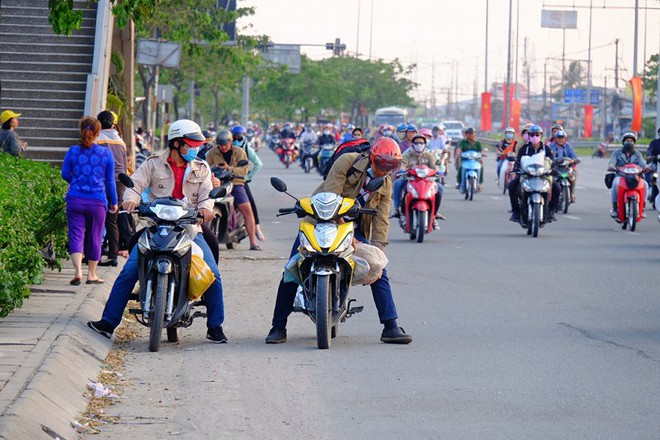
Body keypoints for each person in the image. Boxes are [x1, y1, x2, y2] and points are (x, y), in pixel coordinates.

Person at [87, 119, 229, 343]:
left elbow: (207, 193)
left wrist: (206, 209)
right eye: (191, 144)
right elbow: (134, 184)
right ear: (176, 144)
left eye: (197, 145)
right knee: (128, 271)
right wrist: (130, 201)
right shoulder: (152, 164)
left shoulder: (201, 168)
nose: (195, 149)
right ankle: (108, 323)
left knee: (212, 273)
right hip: (155, 228)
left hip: (189, 229)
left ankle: (215, 326)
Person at [265, 137, 413, 345]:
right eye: (381, 164)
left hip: (354, 230)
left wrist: (378, 252)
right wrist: (344, 230)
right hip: (319, 219)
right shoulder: (347, 162)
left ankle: (390, 326)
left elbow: (381, 220)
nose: (384, 170)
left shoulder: (386, 183)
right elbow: (330, 194)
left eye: (391, 166)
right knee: (293, 268)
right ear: (372, 158)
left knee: (380, 269)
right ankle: (278, 327)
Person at [61, 117, 118, 285]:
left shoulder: (72, 151)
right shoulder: (106, 153)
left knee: (76, 235)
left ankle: (78, 271)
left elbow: (65, 174)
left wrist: (77, 183)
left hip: (75, 200)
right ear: (98, 133)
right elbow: (110, 181)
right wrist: (114, 201)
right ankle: (91, 274)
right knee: (95, 236)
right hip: (97, 202)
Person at [207, 129, 261, 250]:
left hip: (236, 183)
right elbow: (204, 166)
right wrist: (212, 169)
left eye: (225, 144)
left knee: (247, 210)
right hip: (218, 183)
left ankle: (253, 242)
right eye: (220, 145)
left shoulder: (240, 152)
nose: (223, 147)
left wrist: (230, 168)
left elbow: (245, 169)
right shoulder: (212, 153)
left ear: (231, 142)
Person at [95, 110, 128, 267]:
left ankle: (94, 253)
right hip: (119, 182)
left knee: (96, 218)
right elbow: (125, 165)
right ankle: (113, 255)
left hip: (101, 181)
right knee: (112, 220)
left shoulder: (97, 140)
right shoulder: (120, 141)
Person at [508, 124, 560, 222]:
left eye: (537, 134)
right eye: (532, 135)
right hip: (526, 174)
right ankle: (515, 211)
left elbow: (552, 161)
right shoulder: (524, 148)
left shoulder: (546, 149)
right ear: (529, 136)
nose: (534, 137)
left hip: (543, 175)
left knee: (557, 188)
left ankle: (551, 212)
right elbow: (518, 160)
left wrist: (554, 169)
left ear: (541, 136)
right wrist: (516, 168)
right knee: (512, 186)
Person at [392, 133, 445, 225]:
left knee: (440, 188)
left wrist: (437, 171)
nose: (419, 145)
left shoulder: (429, 156)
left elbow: (434, 166)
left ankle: (434, 213)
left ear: (425, 144)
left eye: (421, 143)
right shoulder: (407, 155)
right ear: (412, 144)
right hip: (409, 179)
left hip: (427, 181)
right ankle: (397, 209)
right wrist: (401, 170)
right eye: (416, 143)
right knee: (397, 183)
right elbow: (403, 164)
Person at [230, 125, 265, 241]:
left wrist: (247, 177)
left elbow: (258, 164)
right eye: (234, 138)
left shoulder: (246, 148)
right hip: (223, 180)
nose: (236, 140)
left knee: (250, 203)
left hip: (239, 180)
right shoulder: (224, 147)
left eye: (239, 138)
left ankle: (257, 228)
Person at [608, 132, 648, 218]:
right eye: (627, 140)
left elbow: (643, 164)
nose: (629, 142)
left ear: (634, 143)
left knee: (645, 184)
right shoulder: (616, 153)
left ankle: (643, 208)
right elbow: (612, 163)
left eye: (631, 141)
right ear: (623, 142)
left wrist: (647, 167)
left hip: (635, 177)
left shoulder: (638, 154)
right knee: (615, 184)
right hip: (620, 176)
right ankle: (615, 208)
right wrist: (611, 166)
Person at [549, 130, 579, 203]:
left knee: (573, 177)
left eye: (562, 138)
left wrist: (574, 160)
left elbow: (574, 156)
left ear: (565, 139)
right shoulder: (551, 146)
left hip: (566, 170)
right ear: (555, 138)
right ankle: (550, 196)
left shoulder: (568, 147)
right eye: (559, 138)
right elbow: (548, 156)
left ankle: (571, 194)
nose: (561, 140)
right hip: (555, 169)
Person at [455, 127, 485, 192]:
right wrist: (458, 154)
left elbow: (481, 150)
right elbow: (459, 149)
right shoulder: (463, 142)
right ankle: (459, 182)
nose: (470, 135)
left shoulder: (477, 143)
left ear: (474, 134)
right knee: (460, 167)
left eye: (472, 133)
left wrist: (483, 154)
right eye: (469, 133)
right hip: (465, 160)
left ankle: (479, 183)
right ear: (466, 134)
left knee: (481, 166)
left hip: (475, 160)